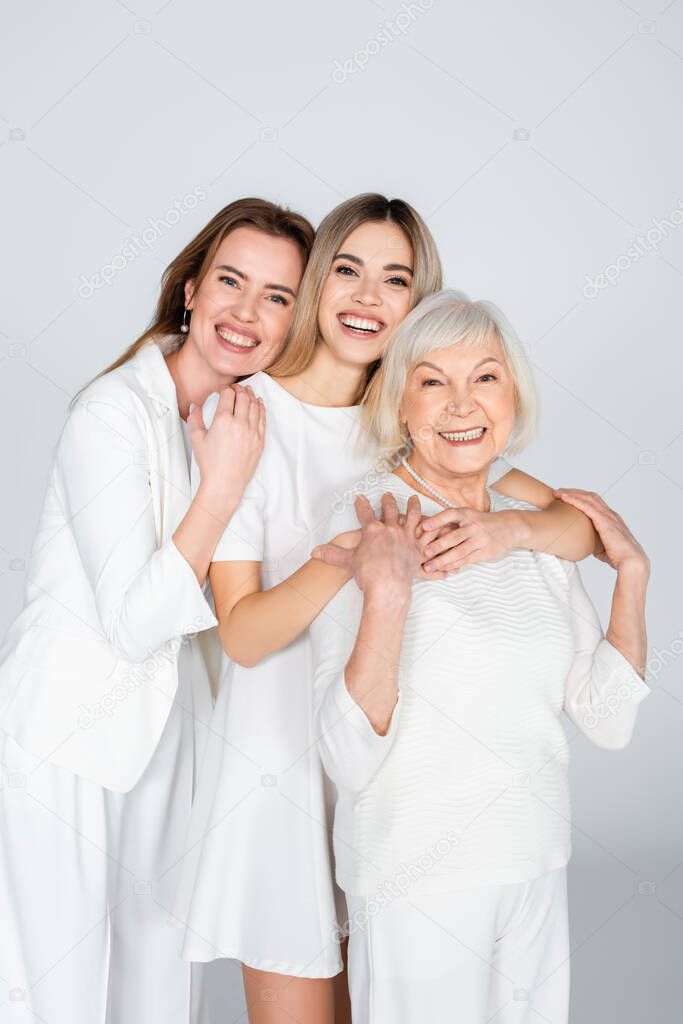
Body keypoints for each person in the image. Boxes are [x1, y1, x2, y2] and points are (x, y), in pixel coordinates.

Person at [173, 196, 599, 1024]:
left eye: (395, 279)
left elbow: (575, 529)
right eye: (347, 270)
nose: (368, 297)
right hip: (284, 769)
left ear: (419, 304)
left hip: (396, 777)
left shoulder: (410, 416)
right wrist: (352, 562)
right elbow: (244, 635)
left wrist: (507, 532)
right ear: (315, 281)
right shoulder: (249, 415)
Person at [0, 198, 313, 1024]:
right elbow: (134, 624)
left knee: (153, 991)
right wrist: (219, 490)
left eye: (277, 297)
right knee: (56, 993)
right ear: (189, 289)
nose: (246, 314)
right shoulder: (111, 413)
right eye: (230, 282)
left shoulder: (245, 423)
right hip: (66, 743)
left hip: (169, 747)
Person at [310, 289, 652, 1024]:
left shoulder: (533, 536)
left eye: (485, 377)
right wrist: (390, 593)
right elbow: (346, 754)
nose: (460, 403)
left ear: (513, 397)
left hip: (532, 862)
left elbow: (605, 719)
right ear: (400, 404)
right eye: (432, 380)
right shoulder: (366, 517)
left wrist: (631, 577)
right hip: (415, 875)